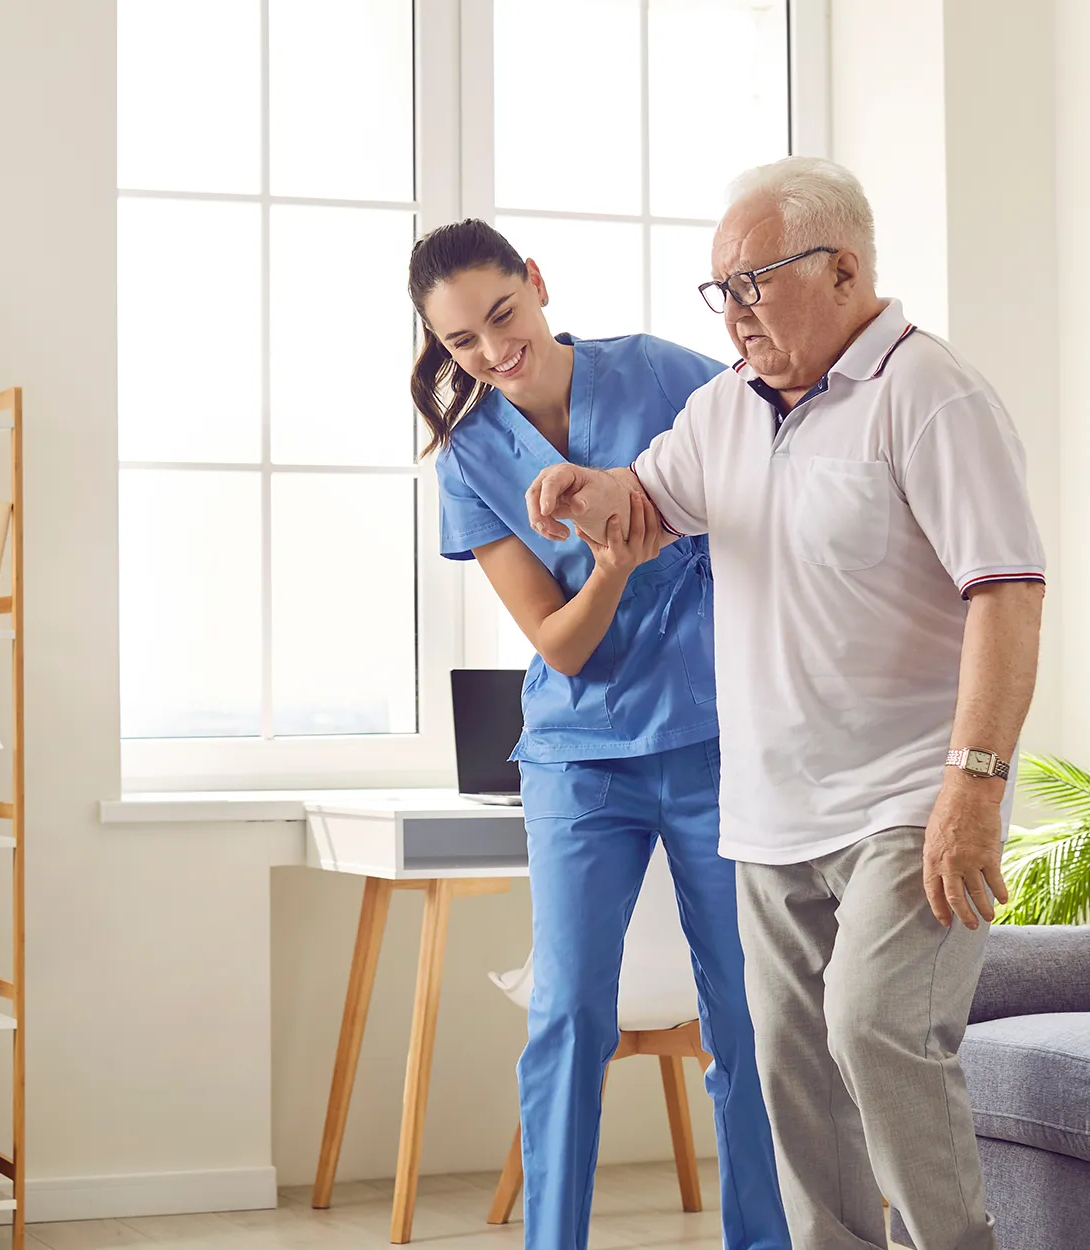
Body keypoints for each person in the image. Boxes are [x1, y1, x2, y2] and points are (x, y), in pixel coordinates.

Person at [525, 157, 1046, 1250]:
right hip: (770, 815)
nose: (732, 313)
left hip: (910, 800)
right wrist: (593, 492)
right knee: (791, 1069)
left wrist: (974, 785)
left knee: (874, 1026)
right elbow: (648, 503)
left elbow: (1005, 593)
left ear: (843, 269)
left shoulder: (928, 393)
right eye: (719, 290)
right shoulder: (722, 409)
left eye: (753, 284)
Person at [408, 219, 789, 1250]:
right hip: (579, 761)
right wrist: (615, 563)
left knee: (744, 1015)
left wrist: (666, 516)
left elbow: (770, 461)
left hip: (715, 742)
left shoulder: (661, 372)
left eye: (503, 315)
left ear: (535, 282)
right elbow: (559, 645)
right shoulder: (470, 458)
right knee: (570, 1017)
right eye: (462, 341)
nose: (495, 350)